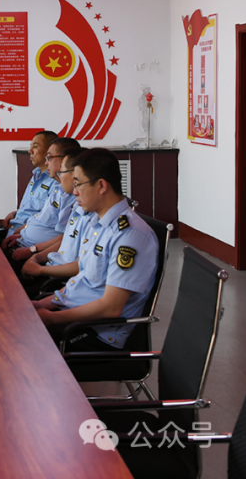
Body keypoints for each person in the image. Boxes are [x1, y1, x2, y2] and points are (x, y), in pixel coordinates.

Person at [32, 148, 159, 351]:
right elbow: (82, 281)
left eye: (78, 184)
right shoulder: (98, 223)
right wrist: (42, 305)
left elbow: (111, 307)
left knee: (18, 344)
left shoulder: (130, 236)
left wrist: (53, 318)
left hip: (95, 332)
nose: (75, 192)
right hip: (73, 314)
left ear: (101, 185)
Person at [3, 137, 83, 263]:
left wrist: (33, 251)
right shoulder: (58, 188)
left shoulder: (76, 199)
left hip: (35, 254)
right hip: (22, 242)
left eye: (49, 158)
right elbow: (39, 217)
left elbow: (65, 237)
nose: (46, 163)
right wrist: (19, 234)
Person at [0, 131, 58, 238]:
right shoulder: (36, 174)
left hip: (24, 236)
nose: (30, 151)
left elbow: (47, 218)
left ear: (50, 151)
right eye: (31, 147)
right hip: (13, 229)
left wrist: (21, 231)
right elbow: (33, 208)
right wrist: (16, 213)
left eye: (35, 147)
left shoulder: (56, 181)